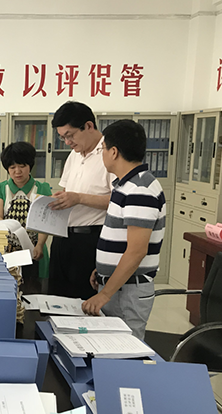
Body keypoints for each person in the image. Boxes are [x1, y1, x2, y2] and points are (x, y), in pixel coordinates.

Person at [82, 120, 166, 340]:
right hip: (119, 286)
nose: (102, 155)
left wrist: (105, 294)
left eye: (102, 149)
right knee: (109, 347)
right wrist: (104, 271)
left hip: (127, 291)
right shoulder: (125, 185)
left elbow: (136, 251)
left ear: (114, 152)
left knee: (124, 350)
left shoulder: (140, 190)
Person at [48, 101, 114, 300]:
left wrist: (78, 198)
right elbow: (67, 190)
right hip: (63, 238)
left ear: (88, 126)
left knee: (83, 301)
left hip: (90, 240)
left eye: (70, 135)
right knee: (55, 300)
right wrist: (60, 199)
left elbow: (120, 201)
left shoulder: (110, 155)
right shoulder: (74, 155)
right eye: (62, 137)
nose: (67, 142)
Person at [0, 141, 51, 284]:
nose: (17, 171)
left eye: (22, 166)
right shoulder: (0, 188)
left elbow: (45, 222)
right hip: (8, 250)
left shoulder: (42, 188)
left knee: (34, 286)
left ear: (30, 166)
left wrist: (40, 245)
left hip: (35, 248)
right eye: (12, 167)